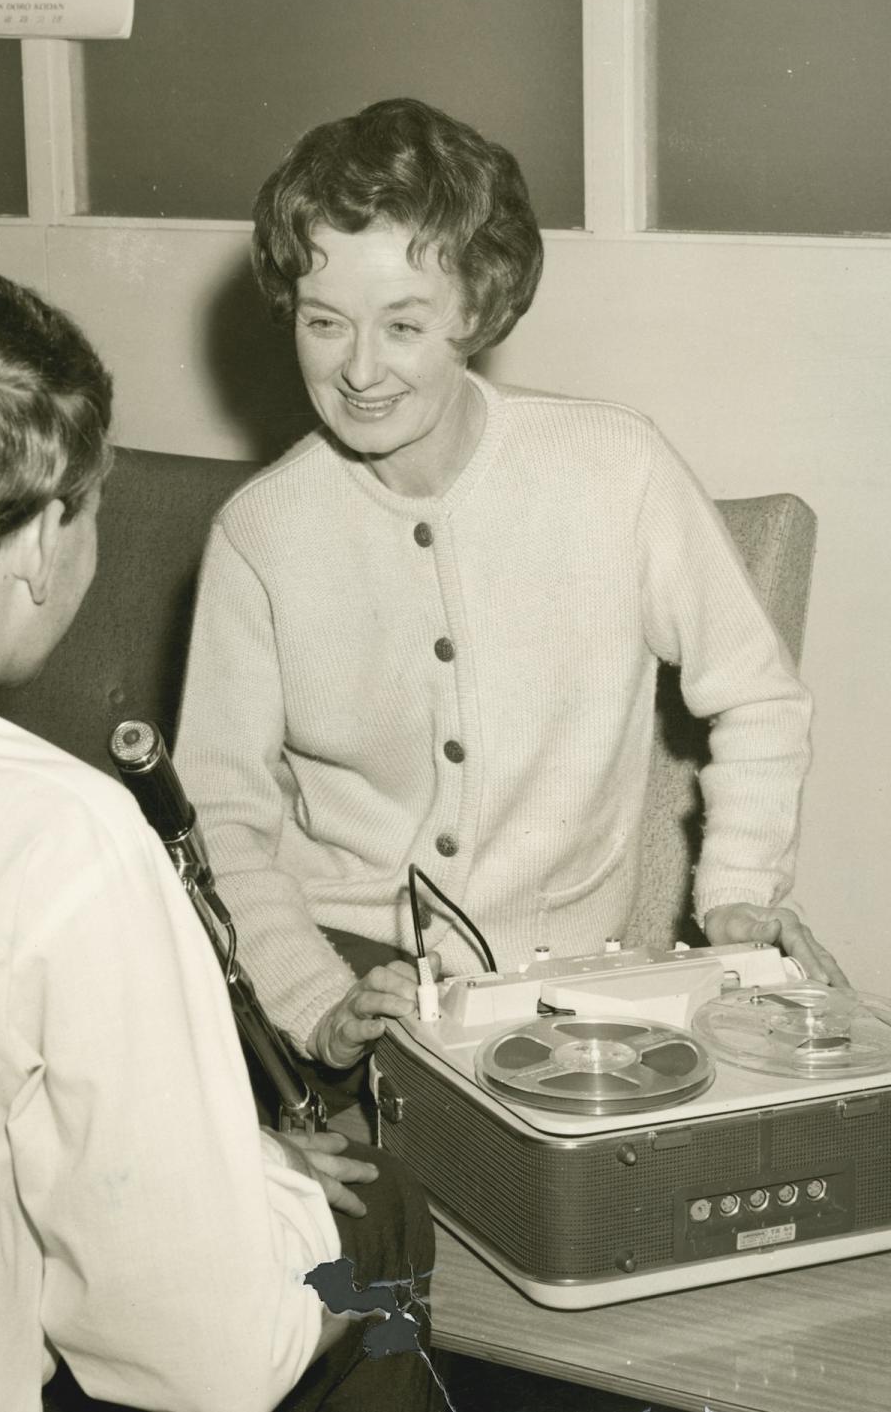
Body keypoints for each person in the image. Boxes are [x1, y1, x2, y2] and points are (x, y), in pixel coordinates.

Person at [0, 265, 437, 1412]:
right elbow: (208, 1361)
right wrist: (275, 1209)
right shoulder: (62, 834)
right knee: (375, 1224)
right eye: (96, 505)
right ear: (39, 546)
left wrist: (233, 1168)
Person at [174, 97, 844, 1079]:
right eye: (325, 322)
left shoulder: (616, 469)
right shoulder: (258, 534)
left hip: (556, 996)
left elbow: (759, 696)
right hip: (340, 983)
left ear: (479, 310)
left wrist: (737, 890)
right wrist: (317, 1004)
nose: (359, 368)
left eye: (404, 324)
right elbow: (218, 818)